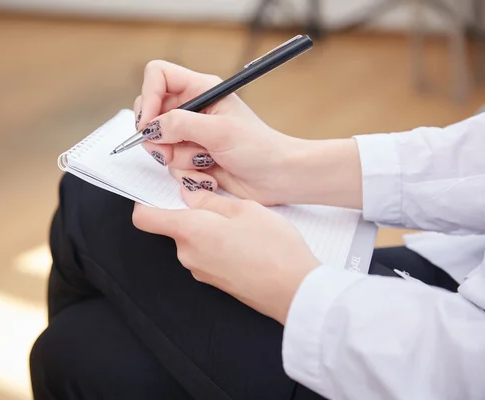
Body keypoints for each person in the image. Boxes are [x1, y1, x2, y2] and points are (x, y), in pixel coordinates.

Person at [29, 60, 485, 400]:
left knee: (96, 200)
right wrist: (288, 165)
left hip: (442, 363)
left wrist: (294, 289)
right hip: (464, 278)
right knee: (71, 352)